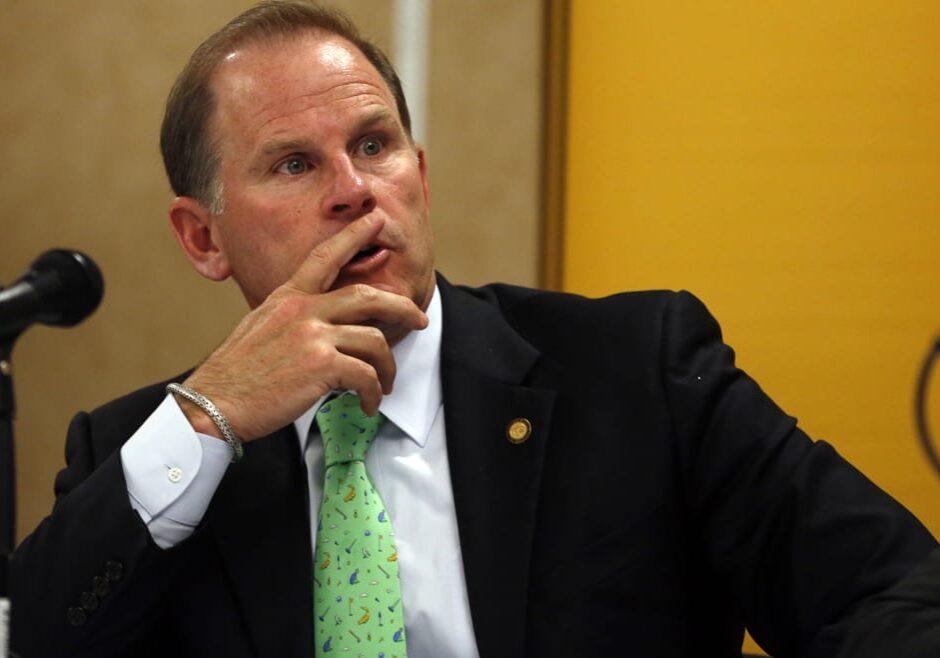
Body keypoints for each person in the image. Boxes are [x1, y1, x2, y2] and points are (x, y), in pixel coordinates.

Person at [9, 2, 939, 656]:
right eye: (294, 164)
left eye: (373, 146)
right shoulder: (143, 455)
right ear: (203, 237)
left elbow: (897, 591)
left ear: (421, 172)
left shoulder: (635, 373)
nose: (354, 191)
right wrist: (208, 414)